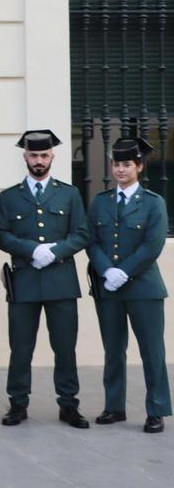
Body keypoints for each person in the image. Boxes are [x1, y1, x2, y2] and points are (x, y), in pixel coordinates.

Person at [0, 130, 90, 429]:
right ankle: (17, 404)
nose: (38, 160)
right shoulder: (9, 196)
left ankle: (69, 405)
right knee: (20, 347)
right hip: (24, 280)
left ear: (52, 157)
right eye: (33, 155)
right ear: (25, 157)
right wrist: (31, 249)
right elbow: (0, 235)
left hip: (61, 281)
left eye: (44, 155)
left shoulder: (69, 193)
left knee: (64, 347)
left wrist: (57, 251)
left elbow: (82, 234)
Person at [86, 137, 169, 433]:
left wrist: (125, 271)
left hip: (144, 288)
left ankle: (156, 409)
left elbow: (153, 245)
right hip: (109, 287)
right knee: (113, 349)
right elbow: (92, 241)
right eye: (116, 164)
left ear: (139, 166)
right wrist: (107, 271)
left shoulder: (153, 203)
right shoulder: (101, 202)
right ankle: (114, 406)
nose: (120, 170)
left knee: (152, 350)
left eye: (126, 164)